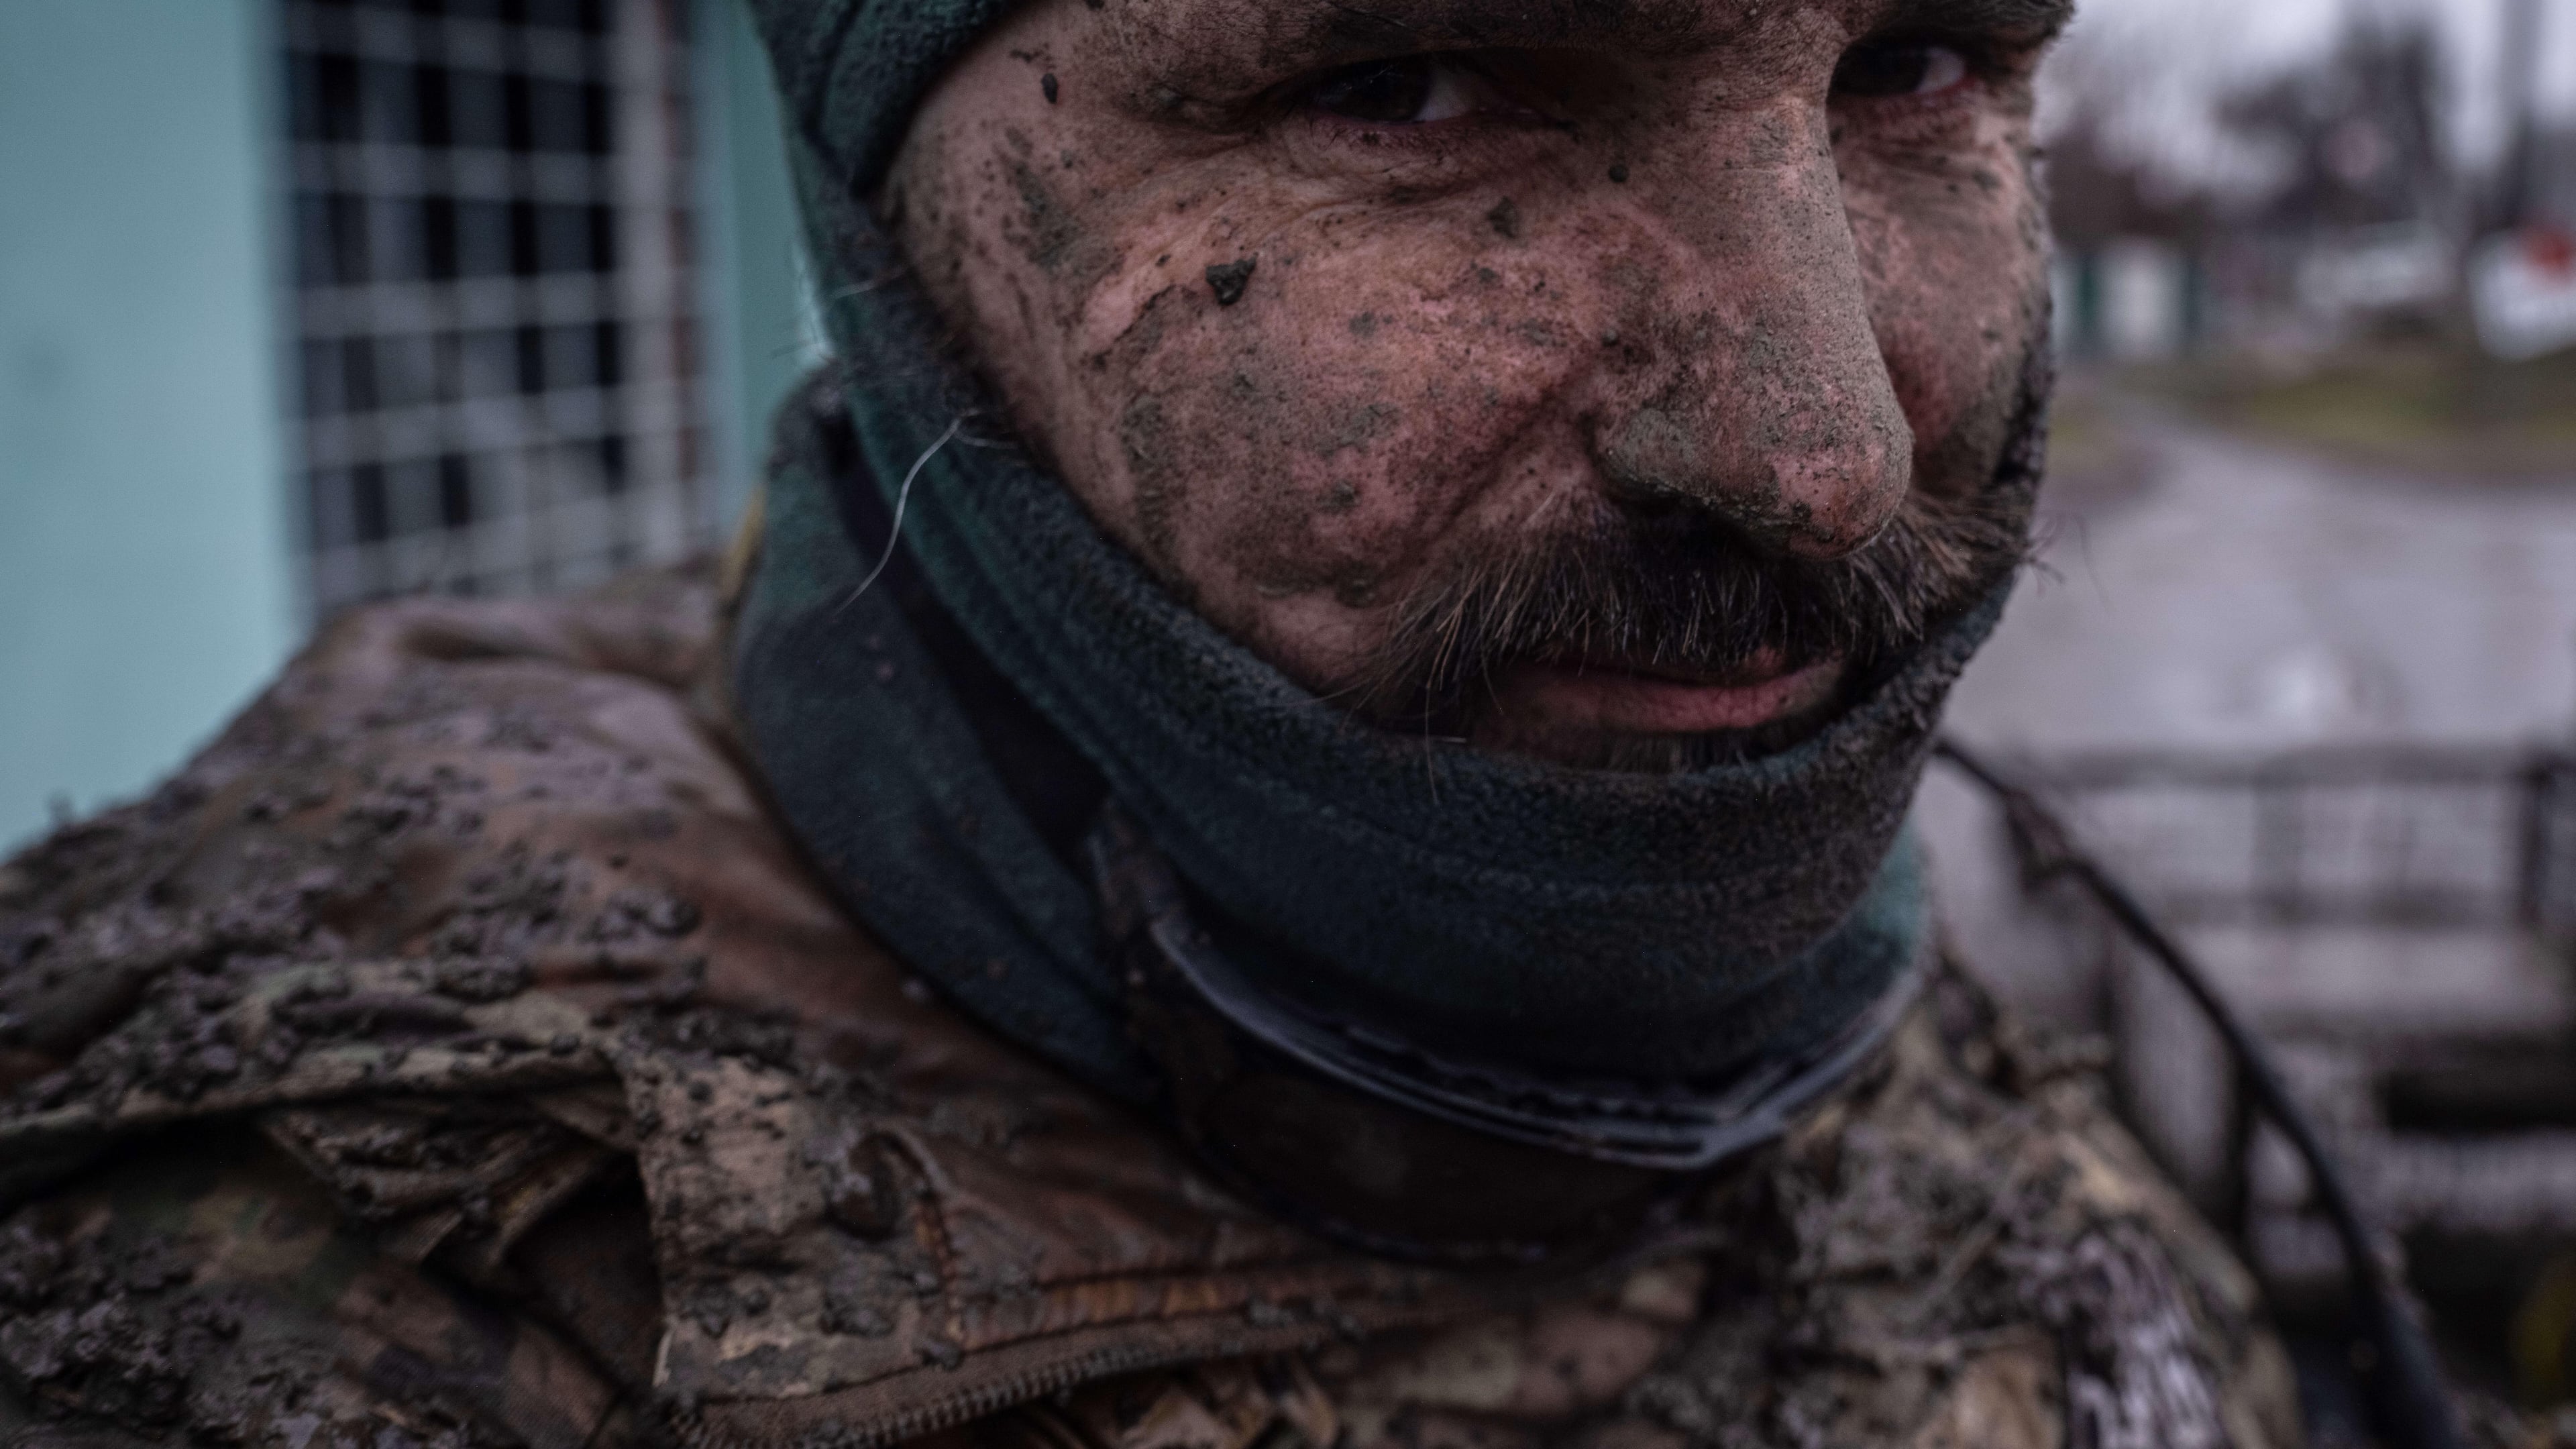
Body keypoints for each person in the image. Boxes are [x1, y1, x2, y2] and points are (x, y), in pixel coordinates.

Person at [0, 2, 2307, 1446]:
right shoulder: (308, 1292)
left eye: (1914, 63)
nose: (1827, 462)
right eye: (1406, 84)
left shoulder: (1906, 1008)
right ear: (896, 227)